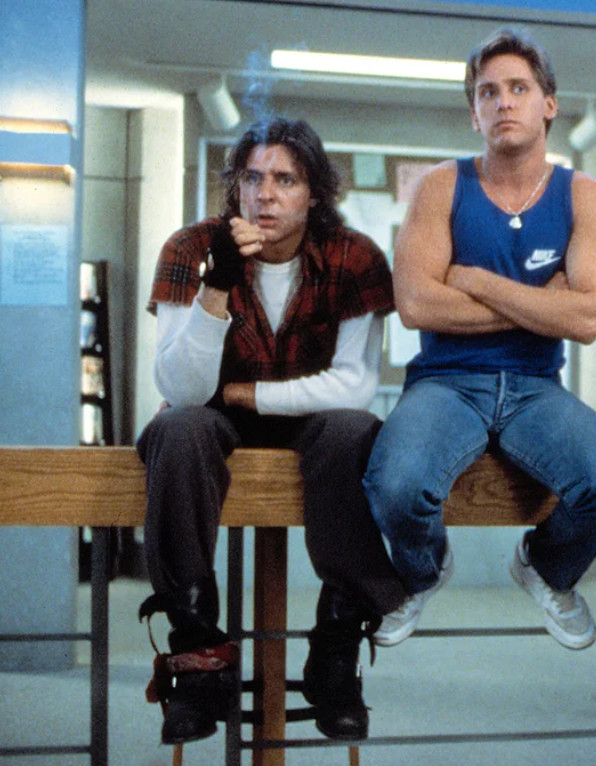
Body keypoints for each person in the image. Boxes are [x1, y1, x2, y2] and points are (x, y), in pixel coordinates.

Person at [363, 28, 596, 653]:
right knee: (396, 487)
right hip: (446, 383)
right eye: (488, 92)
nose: (503, 102)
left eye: (519, 88)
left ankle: (545, 567)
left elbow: (586, 320)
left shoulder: (584, 195)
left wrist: (475, 281)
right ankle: (422, 571)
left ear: (549, 104)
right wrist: (542, 303)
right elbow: (416, 305)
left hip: (535, 388)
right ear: (474, 113)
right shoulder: (442, 186)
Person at [137, 117, 402, 744]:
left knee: (355, 430)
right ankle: (198, 655)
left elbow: (354, 386)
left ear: (314, 193)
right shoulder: (191, 249)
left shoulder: (353, 256)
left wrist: (247, 392)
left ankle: (334, 651)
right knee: (178, 429)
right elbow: (182, 389)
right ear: (236, 187)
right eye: (253, 178)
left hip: (312, 418)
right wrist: (217, 287)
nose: (266, 195)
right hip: (211, 416)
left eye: (286, 180)